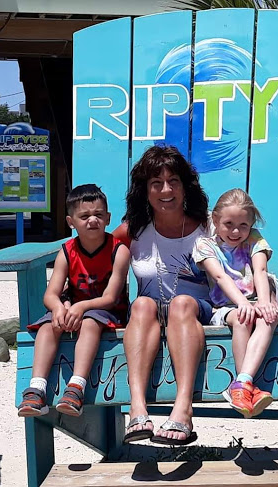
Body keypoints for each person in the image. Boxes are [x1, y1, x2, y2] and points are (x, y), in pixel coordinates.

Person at [113, 145, 211, 446]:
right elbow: (91, 257)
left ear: (185, 186)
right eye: (156, 183)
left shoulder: (208, 226)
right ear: (145, 190)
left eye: (173, 181)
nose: (166, 190)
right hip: (147, 319)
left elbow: (250, 249)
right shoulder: (132, 231)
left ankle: (183, 409)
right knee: (142, 304)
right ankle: (137, 408)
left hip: (198, 313)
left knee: (181, 303)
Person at [17, 184, 130, 418]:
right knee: (49, 325)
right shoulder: (67, 251)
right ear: (71, 222)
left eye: (98, 215)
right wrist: (59, 308)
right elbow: (50, 294)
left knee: (89, 322)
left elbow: (110, 298)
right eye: (84, 216)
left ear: (108, 218)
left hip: (107, 312)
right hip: (74, 309)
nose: (92, 220)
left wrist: (81, 306)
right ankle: (37, 389)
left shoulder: (118, 251)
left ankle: (76, 387)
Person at [193, 188, 278, 418]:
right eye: (229, 224)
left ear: (251, 224)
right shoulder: (205, 245)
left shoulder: (254, 239)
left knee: (268, 317)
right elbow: (220, 276)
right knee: (243, 318)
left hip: (255, 299)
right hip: (225, 306)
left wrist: (264, 302)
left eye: (243, 225)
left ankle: (242, 383)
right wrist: (242, 302)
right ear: (216, 220)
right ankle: (245, 385)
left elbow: (260, 270)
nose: (236, 231)